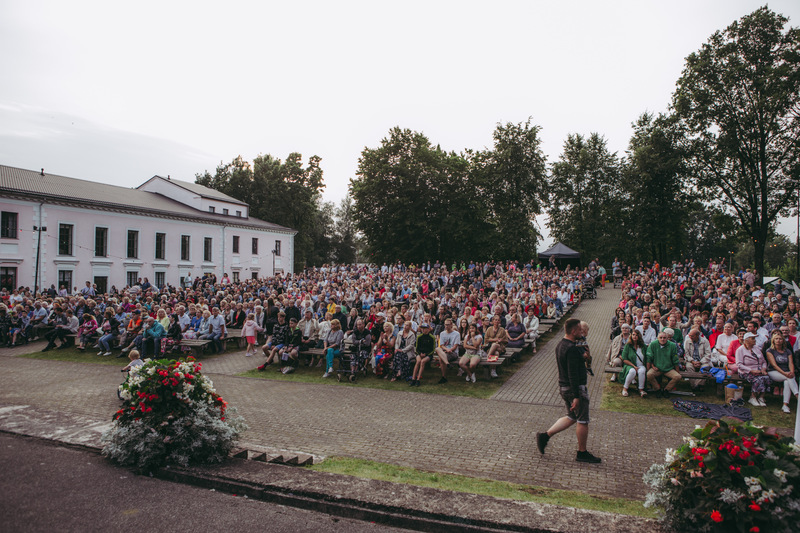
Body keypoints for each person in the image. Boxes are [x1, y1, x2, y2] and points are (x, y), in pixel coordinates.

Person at [536, 318, 601, 464]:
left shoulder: (561, 344)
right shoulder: (572, 348)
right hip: (574, 389)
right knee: (583, 420)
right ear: (573, 331)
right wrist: (577, 396)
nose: (581, 333)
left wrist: (584, 357)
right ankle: (582, 452)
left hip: (564, 387)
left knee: (572, 416)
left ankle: (544, 436)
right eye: (579, 330)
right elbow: (572, 373)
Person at [764, 330, 799, 413]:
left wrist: (792, 372)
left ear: (783, 340)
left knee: (787, 382)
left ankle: (785, 405)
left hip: (787, 373)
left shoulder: (787, 351)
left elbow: (791, 363)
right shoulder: (770, 351)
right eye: (776, 339)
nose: (778, 340)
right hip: (773, 372)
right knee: (789, 378)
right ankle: (798, 396)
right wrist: (785, 374)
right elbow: (774, 365)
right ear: (773, 340)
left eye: (780, 339)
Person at [736, 332, 772, 407]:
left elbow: (763, 361)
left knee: (767, 378)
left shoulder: (756, 348)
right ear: (746, 340)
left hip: (759, 371)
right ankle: (753, 397)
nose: (755, 340)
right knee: (758, 379)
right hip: (745, 372)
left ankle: (761, 397)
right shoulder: (740, 350)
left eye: (754, 338)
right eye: (752, 338)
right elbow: (739, 364)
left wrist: (763, 369)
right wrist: (751, 370)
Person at [645, 330, 681, 398]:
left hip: (668, 369)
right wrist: (650, 367)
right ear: (657, 338)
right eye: (661, 337)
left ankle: (666, 390)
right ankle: (657, 389)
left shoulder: (672, 345)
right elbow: (649, 358)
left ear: (667, 338)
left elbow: (675, 360)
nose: (662, 339)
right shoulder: (653, 344)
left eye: (664, 338)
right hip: (657, 368)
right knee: (649, 374)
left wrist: (677, 371)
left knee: (678, 377)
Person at [620, 329, 647, 397]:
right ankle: (625, 388)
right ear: (631, 336)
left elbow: (647, 357)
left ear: (639, 336)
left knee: (642, 371)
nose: (635, 336)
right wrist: (634, 366)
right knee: (632, 371)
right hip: (630, 365)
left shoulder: (643, 346)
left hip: (641, 365)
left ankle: (641, 390)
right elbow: (624, 359)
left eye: (636, 335)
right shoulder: (628, 346)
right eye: (633, 335)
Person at [434, 318, 460, 384]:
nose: (446, 326)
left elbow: (455, 346)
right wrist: (446, 350)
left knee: (441, 359)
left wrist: (449, 350)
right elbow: (442, 345)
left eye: (448, 325)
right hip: (444, 351)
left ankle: (444, 377)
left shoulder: (456, 334)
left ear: (451, 325)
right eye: (445, 325)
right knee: (437, 349)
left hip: (453, 353)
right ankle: (447, 364)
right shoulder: (442, 333)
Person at [410, 322, 436, 387]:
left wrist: (426, 354)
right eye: (422, 328)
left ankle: (418, 379)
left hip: (428, 354)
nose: (423, 330)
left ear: (428, 329)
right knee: (418, 361)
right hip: (420, 353)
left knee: (423, 361)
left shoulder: (432, 337)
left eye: (425, 328)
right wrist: (420, 353)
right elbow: (417, 347)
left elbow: (433, 349)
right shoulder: (419, 337)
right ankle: (413, 378)